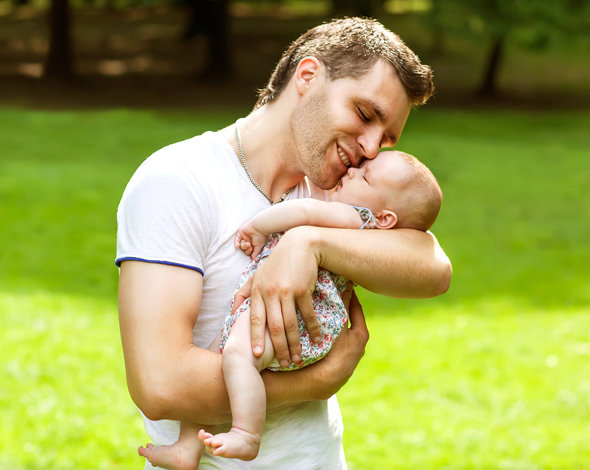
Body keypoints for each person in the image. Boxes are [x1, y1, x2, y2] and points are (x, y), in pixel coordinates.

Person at [116, 17, 451, 470]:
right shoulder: (179, 181)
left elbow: (434, 268)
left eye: (387, 138)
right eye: (364, 114)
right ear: (308, 76)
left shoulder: (335, 192)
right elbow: (161, 386)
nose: (372, 149)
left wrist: (309, 244)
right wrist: (318, 381)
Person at [137, 149, 442, 469]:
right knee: (216, 360)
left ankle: (246, 433)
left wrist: (258, 227)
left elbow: (303, 211)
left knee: (237, 357)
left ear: (385, 219)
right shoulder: (368, 232)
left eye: (365, 177)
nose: (352, 171)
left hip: (291, 313)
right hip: (281, 311)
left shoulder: (354, 216)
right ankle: (187, 446)